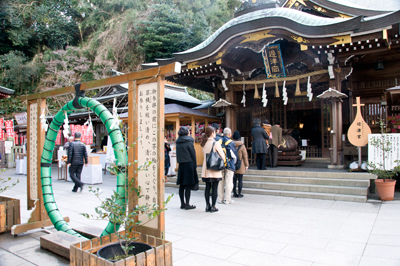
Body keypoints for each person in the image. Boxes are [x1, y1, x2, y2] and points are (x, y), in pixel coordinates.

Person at [201, 126, 225, 212]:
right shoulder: (216, 143)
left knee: (207, 187)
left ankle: (207, 206)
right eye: (214, 132)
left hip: (206, 169)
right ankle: (213, 206)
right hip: (214, 169)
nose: (215, 134)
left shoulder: (203, 143)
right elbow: (222, 156)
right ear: (212, 133)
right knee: (215, 188)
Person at [176, 126, 198, 210]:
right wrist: (195, 165)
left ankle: (182, 203)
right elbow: (193, 155)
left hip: (181, 165)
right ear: (187, 132)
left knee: (182, 185)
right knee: (188, 186)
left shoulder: (178, 142)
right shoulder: (189, 142)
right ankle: (187, 204)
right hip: (189, 164)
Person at [218, 127, 238, 204]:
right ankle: (227, 199)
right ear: (230, 134)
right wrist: (235, 163)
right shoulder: (231, 142)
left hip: (220, 164)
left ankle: (220, 199)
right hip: (229, 164)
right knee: (229, 181)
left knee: (221, 182)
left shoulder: (219, 141)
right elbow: (234, 155)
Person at [232, 131, 249, 198]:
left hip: (233, 164)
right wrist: (246, 165)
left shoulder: (231, 144)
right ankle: (239, 194)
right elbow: (245, 156)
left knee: (234, 180)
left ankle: (234, 193)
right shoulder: (242, 146)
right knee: (240, 180)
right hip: (240, 164)